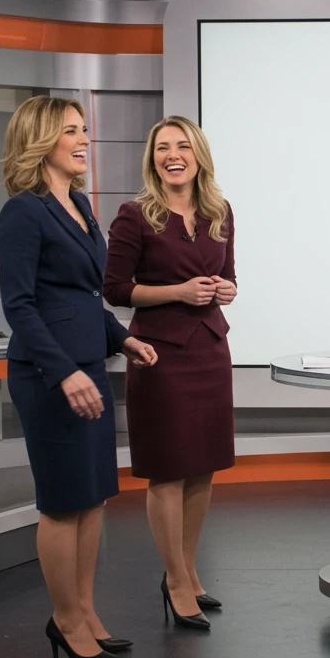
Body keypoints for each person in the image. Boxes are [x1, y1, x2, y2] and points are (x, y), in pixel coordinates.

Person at [0, 96, 159, 658]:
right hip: (49, 376)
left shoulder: (82, 206)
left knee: (93, 498)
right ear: (43, 141)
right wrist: (63, 372)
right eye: (72, 131)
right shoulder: (22, 212)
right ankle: (64, 620)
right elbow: (19, 306)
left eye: (84, 129)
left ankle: (86, 610)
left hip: (89, 364)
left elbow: (86, 295)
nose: (85, 139)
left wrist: (123, 338)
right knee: (63, 502)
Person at [103, 115, 237, 631]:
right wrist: (178, 293)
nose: (172, 154)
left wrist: (225, 290)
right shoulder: (134, 215)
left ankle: (188, 571)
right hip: (159, 354)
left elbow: (228, 276)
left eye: (182, 146)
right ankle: (175, 580)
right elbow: (115, 290)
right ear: (152, 157)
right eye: (163, 147)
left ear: (198, 154)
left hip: (209, 349)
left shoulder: (219, 211)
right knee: (169, 469)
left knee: (203, 466)